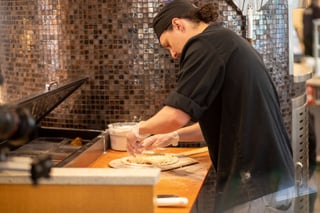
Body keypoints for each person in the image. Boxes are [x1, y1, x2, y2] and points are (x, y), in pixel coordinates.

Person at [126, 0, 295, 212]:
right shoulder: (224, 42)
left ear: (178, 24)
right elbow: (229, 122)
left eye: (168, 44)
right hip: (272, 181)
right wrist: (174, 137)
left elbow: (175, 116)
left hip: (255, 185)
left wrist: (137, 130)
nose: (173, 54)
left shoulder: (204, 45)